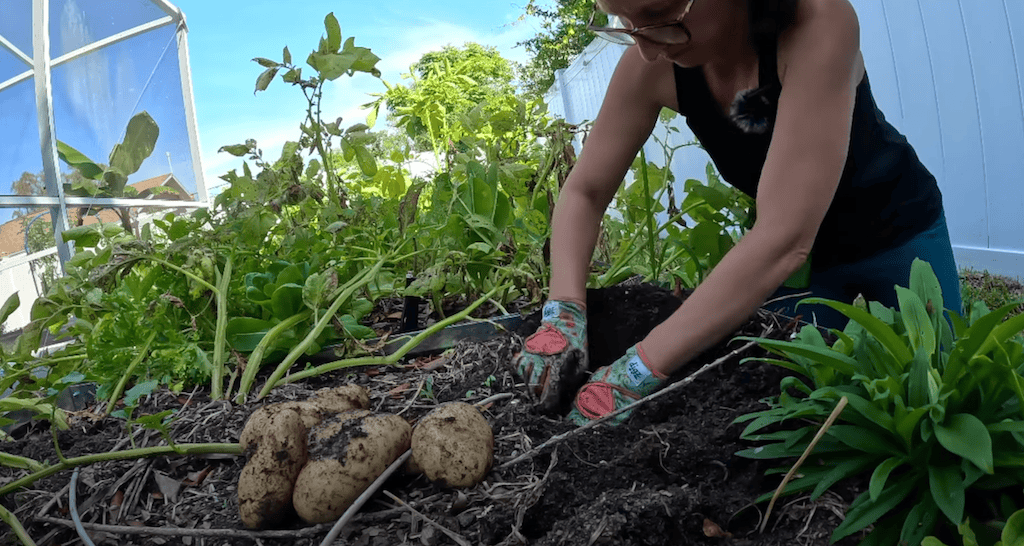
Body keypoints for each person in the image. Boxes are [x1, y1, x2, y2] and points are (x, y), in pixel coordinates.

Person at [513, 0, 963, 425]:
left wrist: (637, 369)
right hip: (805, 266)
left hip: (897, 231)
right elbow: (585, 193)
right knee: (803, 406)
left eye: (660, 15)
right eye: (626, 25)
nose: (647, 49)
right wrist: (563, 313)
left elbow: (784, 237)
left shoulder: (819, 23)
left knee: (938, 396)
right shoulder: (654, 64)